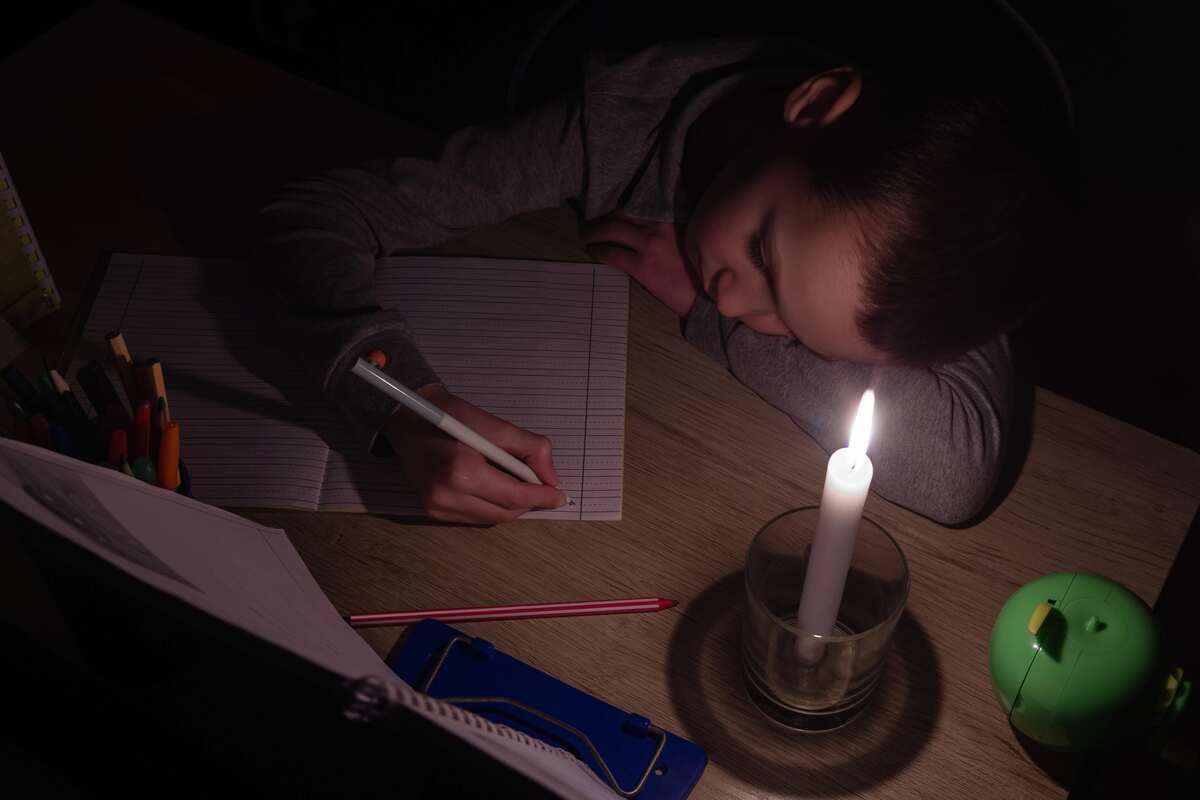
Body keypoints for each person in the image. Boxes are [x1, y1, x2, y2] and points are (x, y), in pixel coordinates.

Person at [254, 34, 1069, 526]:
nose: (739, 305)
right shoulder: (619, 124)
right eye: (763, 257)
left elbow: (956, 470)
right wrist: (406, 405)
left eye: (794, 332)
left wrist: (701, 315)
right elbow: (309, 220)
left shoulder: (945, 246)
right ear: (818, 104)